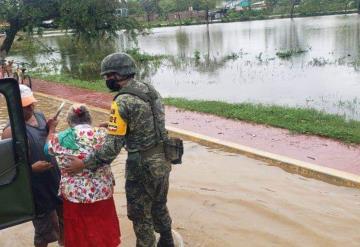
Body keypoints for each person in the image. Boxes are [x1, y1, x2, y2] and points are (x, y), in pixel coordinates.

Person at [65, 52, 175, 247]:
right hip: (163, 159)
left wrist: (83, 163)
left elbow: (111, 149)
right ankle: (167, 240)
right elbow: (150, 122)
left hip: (142, 167)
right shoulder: (149, 89)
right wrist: (116, 125)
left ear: (118, 75)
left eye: (108, 76)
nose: (107, 80)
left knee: (140, 215)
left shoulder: (121, 101)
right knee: (159, 204)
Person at [45, 104, 121, 247]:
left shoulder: (60, 138)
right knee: (102, 228)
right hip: (102, 192)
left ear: (69, 121)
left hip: (74, 195)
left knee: (78, 233)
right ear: (90, 119)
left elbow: (46, 149)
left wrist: (51, 129)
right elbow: (117, 144)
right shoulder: (104, 134)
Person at [1, 84, 63, 247]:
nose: (30, 108)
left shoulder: (40, 116)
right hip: (36, 189)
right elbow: (11, 168)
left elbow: (50, 142)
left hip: (55, 179)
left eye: (30, 104)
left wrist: (50, 128)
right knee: (44, 231)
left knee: (64, 223)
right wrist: (31, 169)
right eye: (24, 106)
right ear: (13, 107)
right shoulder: (10, 131)